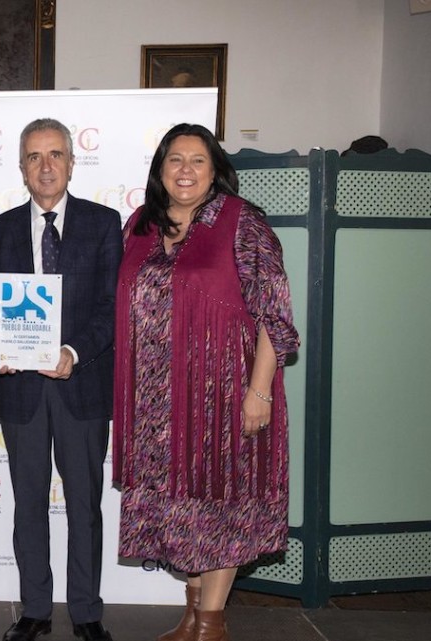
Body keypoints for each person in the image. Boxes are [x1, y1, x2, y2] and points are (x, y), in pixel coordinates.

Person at [113, 123, 299, 641]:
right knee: (179, 512)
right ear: (160, 169)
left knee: (221, 507)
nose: (186, 170)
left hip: (225, 397)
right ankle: (192, 615)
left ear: (215, 169)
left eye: (198, 160)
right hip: (155, 406)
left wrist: (258, 391)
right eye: (176, 160)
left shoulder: (243, 224)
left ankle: (211, 625)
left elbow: (275, 316)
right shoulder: (140, 226)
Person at [0, 119, 122, 641]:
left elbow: (111, 307)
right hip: (21, 391)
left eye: (55, 154)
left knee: (84, 504)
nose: (45, 166)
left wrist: (74, 351)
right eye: (34, 156)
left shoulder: (104, 224)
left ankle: (86, 612)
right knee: (28, 502)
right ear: (20, 166)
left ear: (71, 162)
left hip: (81, 385)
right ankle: (35, 608)